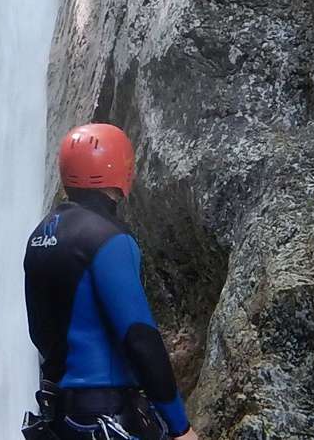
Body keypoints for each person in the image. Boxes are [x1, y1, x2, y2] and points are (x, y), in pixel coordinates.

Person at [23, 124, 198, 440]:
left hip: (57, 415)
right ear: (120, 169)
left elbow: (39, 331)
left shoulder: (41, 235)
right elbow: (140, 337)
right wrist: (179, 426)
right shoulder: (108, 238)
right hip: (104, 415)